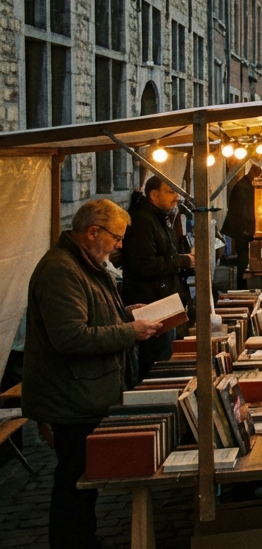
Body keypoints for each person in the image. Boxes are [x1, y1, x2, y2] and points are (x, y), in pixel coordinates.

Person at [25, 199, 161, 549]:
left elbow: (94, 316)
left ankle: (83, 539)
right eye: (116, 238)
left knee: (82, 483)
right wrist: (130, 332)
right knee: (74, 482)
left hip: (87, 392)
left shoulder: (85, 264)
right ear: (92, 232)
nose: (119, 246)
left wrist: (126, 314)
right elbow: (71, 336)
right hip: (71, 398)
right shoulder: (61, 269)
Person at [120, 175, 194, 380]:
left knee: (164, 360)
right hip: (151, 304)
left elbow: (166, 253)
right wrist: (183, 261)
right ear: (154, 194)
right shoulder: (143, 219)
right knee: (154, 368)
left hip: (165, 303)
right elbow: (144, 264)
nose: (177, 197)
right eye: (171, 192)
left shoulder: (161, 217)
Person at [221, 163, 261, 285]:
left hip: (244, 230)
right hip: (242, 231)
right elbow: (243, 213)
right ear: (253, 174)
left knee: (244, 259)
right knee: (243, 260)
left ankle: (243, 284)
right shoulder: (243, 187)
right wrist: (251, 229)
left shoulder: (247, 185)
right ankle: (242, 285)